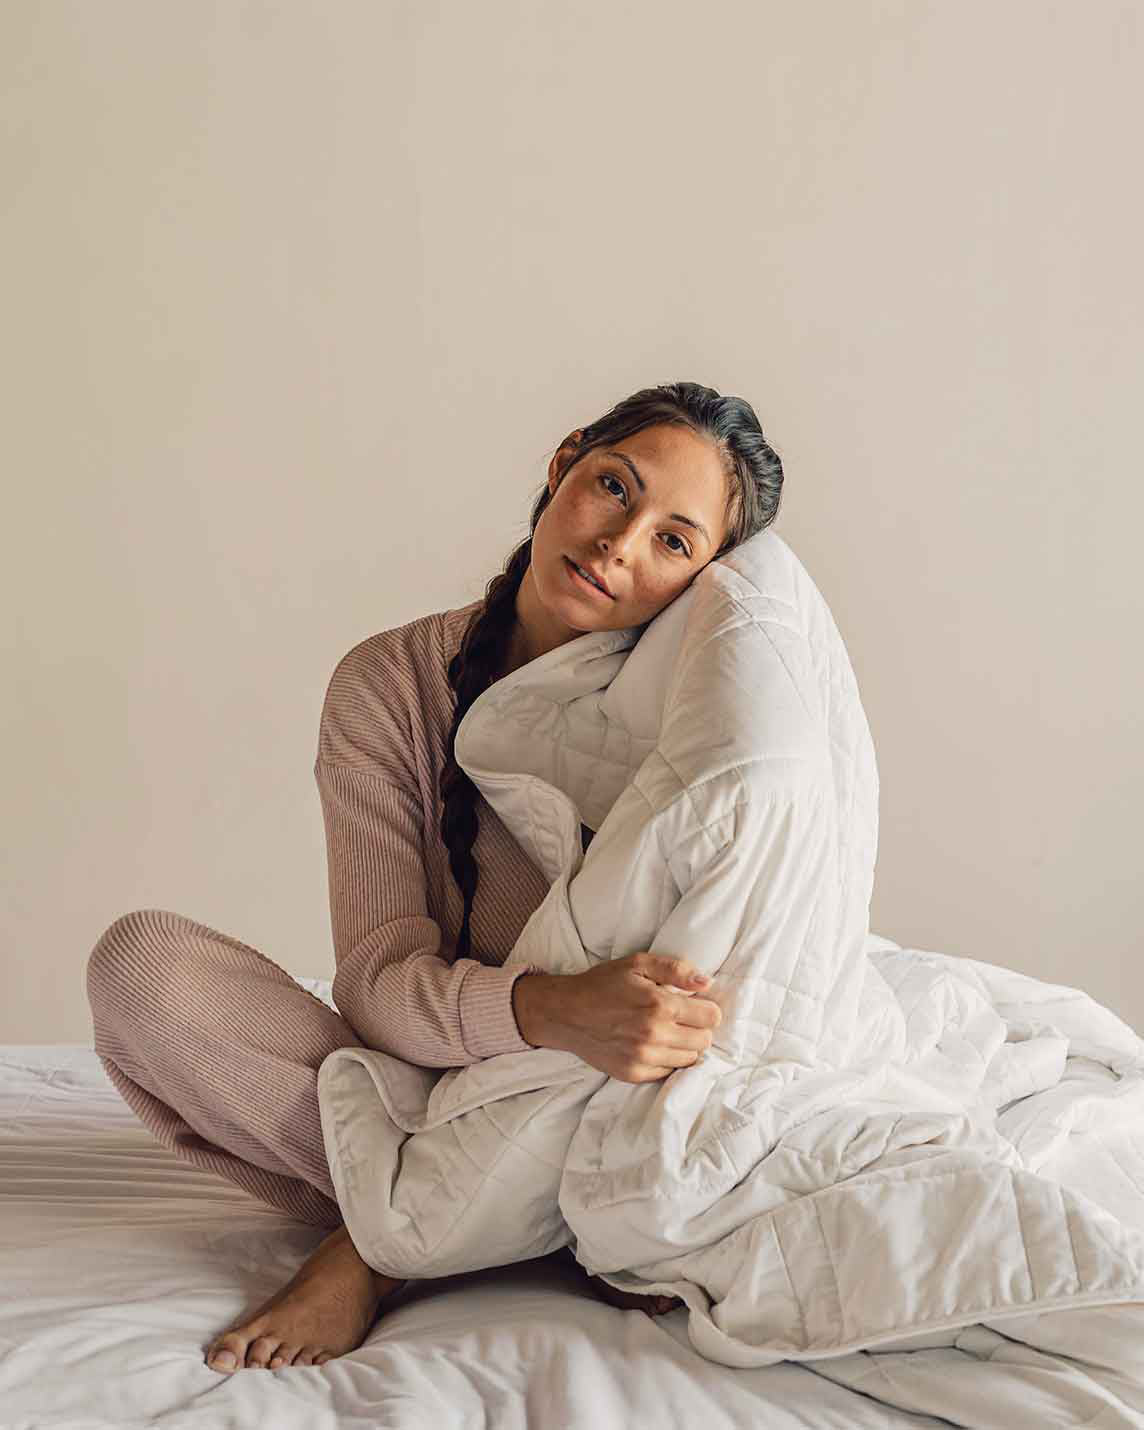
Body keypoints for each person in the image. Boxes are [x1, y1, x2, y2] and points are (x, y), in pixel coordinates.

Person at [85, 380, 784, 1374]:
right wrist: (552, 1009)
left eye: (674, 540)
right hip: (438, 1068)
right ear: (563, 464)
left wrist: (600, 1025)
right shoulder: (389, 683)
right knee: (142, 968)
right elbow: (378, 987)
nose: (618, 545)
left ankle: (383, 1241)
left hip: (600, 1097)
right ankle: (482, 1221)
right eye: (613, 487)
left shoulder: (698, 715)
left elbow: (678, 1012)